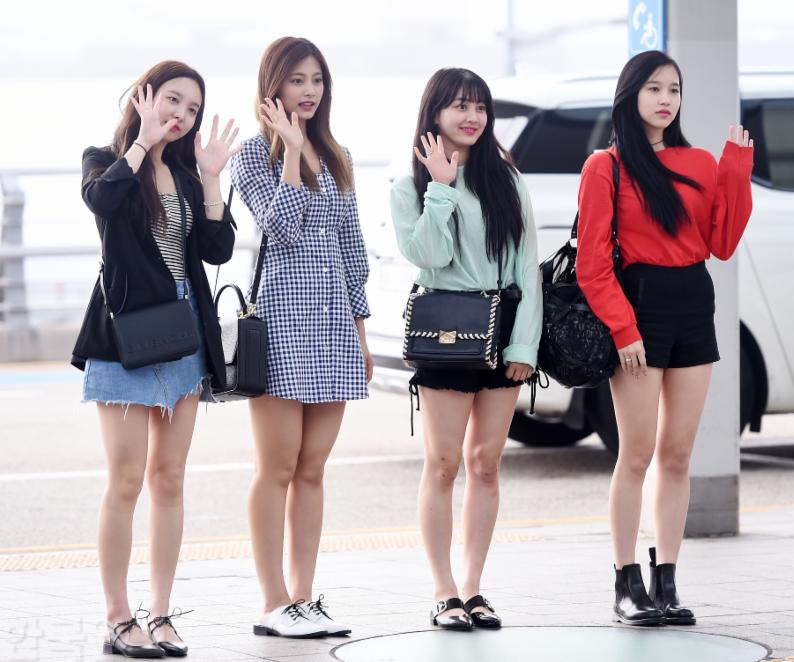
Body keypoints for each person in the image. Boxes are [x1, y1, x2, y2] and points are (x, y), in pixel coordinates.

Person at [576, 50, 754, 626]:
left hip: (694, 302)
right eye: (653, 88)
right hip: (640, 307)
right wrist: (624, 329)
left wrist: (735, 170)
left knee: (678, 455)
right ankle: (626, 583)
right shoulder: (605, 167)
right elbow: (591, 264)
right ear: (630, 95)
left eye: (673, 89)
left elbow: (722, 243)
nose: (665, 99)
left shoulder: (699, 161)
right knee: (637, 454)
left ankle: (666, 582)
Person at [73, 60, 240, 657]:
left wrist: (213, 180)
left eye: (192, 109)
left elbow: (218, 250)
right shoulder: (106, 159)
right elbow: (104, 202)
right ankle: (118, 619)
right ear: (144, 97)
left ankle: (161, 613)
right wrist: (143, 142)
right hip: (126, 337)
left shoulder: (189, 174)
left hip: (185, 335)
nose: (181, 115)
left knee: (169, 478)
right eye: (173, 100)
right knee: (125, 480)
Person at [230, 36, 373, 639]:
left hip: (335, 325)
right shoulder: (251, 155)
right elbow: (281, 227)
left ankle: (304, 599)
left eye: (317, 79)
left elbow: (353, 252)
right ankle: (273, 601)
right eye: (297, 79)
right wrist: (289, 150)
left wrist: (361, 332)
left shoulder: (338, 154)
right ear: (274, 86)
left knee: (312, 470)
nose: (309, 90)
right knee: (277, 468)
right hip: (281, 325)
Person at [390, 68, 542, 631]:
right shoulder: (409, 186)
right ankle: (444, 590)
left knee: (485, 464)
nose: (472, 116)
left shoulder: (507, 179)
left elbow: (527, 264)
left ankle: (474, 588)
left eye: (479, 107)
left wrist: (525, 343)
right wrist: (441, 187)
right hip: (446, 333)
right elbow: (429, 257)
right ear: (434, 113)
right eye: (459, 106)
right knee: (443, 463)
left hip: (503, 332)